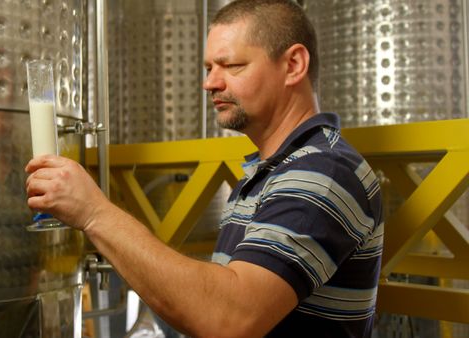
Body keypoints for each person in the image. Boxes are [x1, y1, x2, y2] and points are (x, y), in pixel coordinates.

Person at [25, 0, 384, 337]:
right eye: (209, 68)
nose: (209, 83)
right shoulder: (268, 172)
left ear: (293, 65)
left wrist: (94, 213)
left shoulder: (324, 171)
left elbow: (229, 319)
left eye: (232, 66)